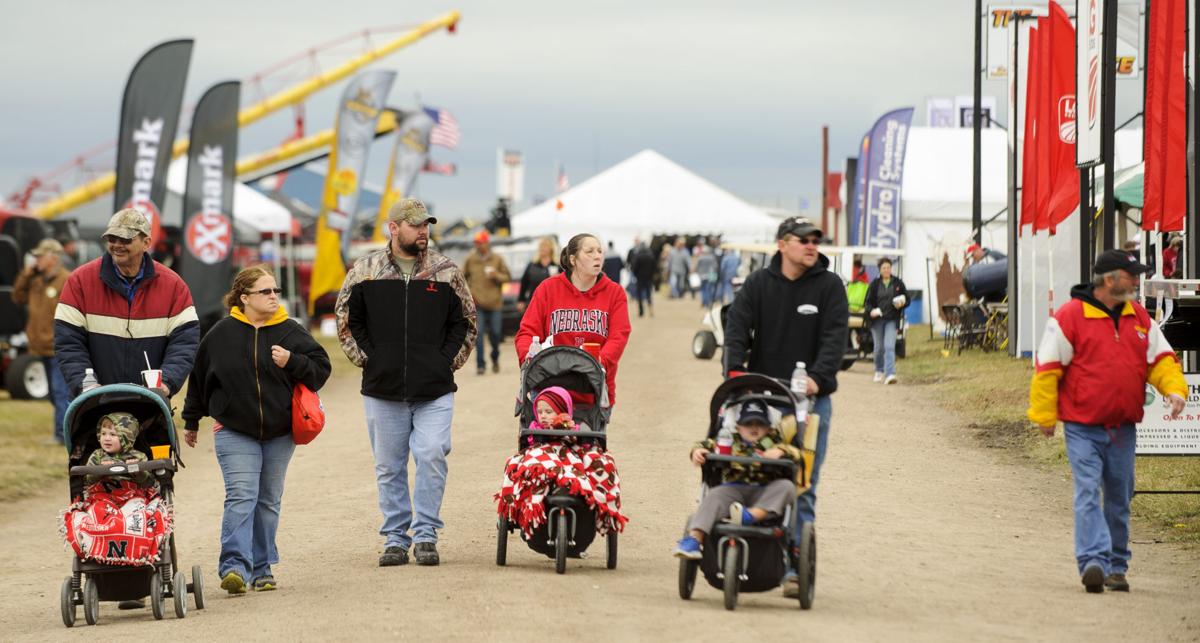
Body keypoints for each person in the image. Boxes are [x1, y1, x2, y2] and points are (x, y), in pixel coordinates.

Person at [1028, 249, 1187, 594]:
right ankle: (1093, 562)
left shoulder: (1140, 318)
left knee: (1120, 497)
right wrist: (1044, 415)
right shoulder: (1069, 318)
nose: (1136, 281)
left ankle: (1117, 566)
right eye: (1131, 276)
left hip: (1123, 427)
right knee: (1087, 491)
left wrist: (1174, 390)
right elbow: (1047, 368)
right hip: (1082, 426)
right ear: (1110, 279)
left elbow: (1161, 360)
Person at [335, 198, 476, 568]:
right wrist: (370, 360)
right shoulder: (365, 270)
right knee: (389, 466)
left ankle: (426, 532)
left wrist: (445, 363)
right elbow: (347, 320)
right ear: (393, 228)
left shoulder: (446, 271)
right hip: (383, 390)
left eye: (426, 225)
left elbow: (466, 322)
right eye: (415, 225)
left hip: (434, 390)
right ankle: (395, 538)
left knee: (431, 453)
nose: (423, 232)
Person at [182, 265, 331, 594]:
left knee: (267, 500)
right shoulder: (221, 333)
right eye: (266, 291)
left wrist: (292, 360)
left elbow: (321, 370)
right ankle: (234, 566)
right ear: (244, 297)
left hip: (280, 432)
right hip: (234, 430)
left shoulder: (291, 331)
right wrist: (191, 420)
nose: (274, 296)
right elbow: (200, 377)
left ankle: (262, 568)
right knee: (241, 497)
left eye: (276, 291)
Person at [722, 216, 848, 598]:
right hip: (762, 399)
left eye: (816, 240)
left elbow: (834, 338)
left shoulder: (830, 287)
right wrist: (734, 372)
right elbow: (737, 329)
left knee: (801, 484)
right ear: (782, 244)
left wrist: (818, 377)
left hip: (809, 403)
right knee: (751, 474)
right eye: (803, 240)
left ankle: (794, 566)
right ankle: (747, 552)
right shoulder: (759, 284)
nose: (812, 245)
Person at [54, 208, 199, 400]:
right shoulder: (80, 281)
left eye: (125, 239)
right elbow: (68, 342)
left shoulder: (173, 286)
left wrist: (166, 384)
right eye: (112, 239)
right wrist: (85, 384)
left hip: (150, 404)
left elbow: (185, 343)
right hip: (94, 403)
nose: (117, 245)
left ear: (146, 242)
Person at [673, 400, 802, 560]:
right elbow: (706, 443)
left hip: (765, 492)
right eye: (749, 424)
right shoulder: (728, 440)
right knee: (714, 495)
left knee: (787, 487)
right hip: (734, 490)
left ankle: (750, 515)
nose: (754, 428)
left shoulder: (775, 442)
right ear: (738, 427)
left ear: (769, 427)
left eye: (760, 424)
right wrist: (697, 451)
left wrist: (782, 451)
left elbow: (797, 454)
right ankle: (693, 540)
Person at [514, 233, 631, 405]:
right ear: (573, 259)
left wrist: (599, 362)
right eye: (589, 251)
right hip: (550, 389)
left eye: (600, 251)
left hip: (594, 389)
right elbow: (527, 332)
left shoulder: (614, 292)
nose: (597, 255)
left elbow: (619, 336)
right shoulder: (548, 289)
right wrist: (529, 359)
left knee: (589, 432)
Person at [13, 238, 71, 444]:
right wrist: (26, 273)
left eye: (40, 256)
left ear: (53, 257)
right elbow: (17, 296)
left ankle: (62, 435)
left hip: (58, 347)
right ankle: (63, 431)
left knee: (60, 391)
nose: (35, 259)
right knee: (56, 394)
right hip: (41, 347)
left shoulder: (66, 280)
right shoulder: (36, 281)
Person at [463, 229, 511, 375]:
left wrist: (496, 275)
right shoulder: (471, 259)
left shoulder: (497, 259)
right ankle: (480, 365)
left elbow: (507, 277)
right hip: (478, 304)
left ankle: (495, 358)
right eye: (476, 243)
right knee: (479, 335)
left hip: (495, 303)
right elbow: (461, 277)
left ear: (487, 243)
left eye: (481, 243)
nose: (479, 246)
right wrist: (468, 293)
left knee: (496, 334)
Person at [864, 257, 909, 385]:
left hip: (892, 320)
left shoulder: (898, 283)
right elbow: (867, 303)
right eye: (884, 268)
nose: (886, 270)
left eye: (888, 267)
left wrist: (902, 303)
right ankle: (879, 370)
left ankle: (890, 374)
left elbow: (907, 299)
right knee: (879, 348)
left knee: (889, 346)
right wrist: (872, 311)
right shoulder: (874, 284)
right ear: (880, 269)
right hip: (877, 320)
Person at [84, 412, 149, 488]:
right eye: (103, 433)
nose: (106, 438)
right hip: (103, 493)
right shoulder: (97, 455)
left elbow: (147, 482)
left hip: (132, 493)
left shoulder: (139, 457)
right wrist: (100, 470)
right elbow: (88, 481)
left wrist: (137, 471)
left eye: (112, 434)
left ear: (127, 438)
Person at [519, 236, 559, 311]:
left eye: (545, 246)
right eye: (541, 246)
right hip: (534, 301)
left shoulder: (556, 265)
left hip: (552, 302)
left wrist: (557, 278)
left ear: (551, 249)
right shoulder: (532, 264)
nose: (542, 248)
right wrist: (521, 300)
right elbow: (524, 282)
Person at [629, 240, 657, 318]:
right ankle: (650, 309)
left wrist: (636, 275)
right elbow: (654, 268)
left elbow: (634, 268)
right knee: (649, 294)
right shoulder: (651, 256)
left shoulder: (638, 256)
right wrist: (651, 276)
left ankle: (641, 311)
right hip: (649, 278)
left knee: (639, 295)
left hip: (640, 278)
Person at [694, 244, 718, 308]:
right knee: (709, 289)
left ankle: (704, 302)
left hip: (702, 275)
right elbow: (715, 267)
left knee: (703, 289)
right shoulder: (712, 257)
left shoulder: (700, 257)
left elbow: (697, 267)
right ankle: (708, 303)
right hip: (710, 275)